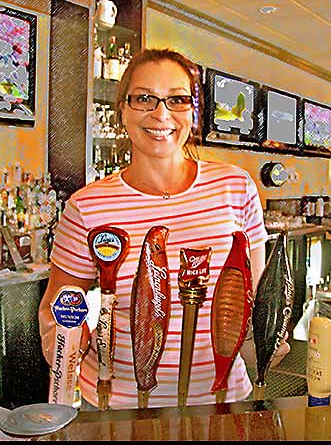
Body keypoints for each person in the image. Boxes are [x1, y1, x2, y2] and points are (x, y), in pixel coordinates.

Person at [38, 48, 289, 410]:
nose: (161, 114)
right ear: (121, 109)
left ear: (193, 112)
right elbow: (56, 308)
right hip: (120, 409)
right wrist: (61, 341)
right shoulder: (87, 206)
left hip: (222, 402)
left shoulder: (235, 187)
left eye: (177, 99)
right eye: (144, 99)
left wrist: (264, 341)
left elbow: (254, 300)